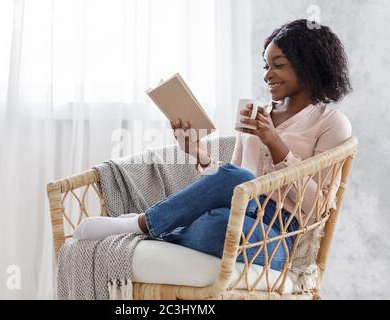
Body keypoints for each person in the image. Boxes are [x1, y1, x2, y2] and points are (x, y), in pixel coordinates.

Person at [73, 19, 353, 271]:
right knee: (235, 189)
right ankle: (151, 224)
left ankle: (144, 225)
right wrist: (197, 151)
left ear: (308, 65)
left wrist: (275, 142)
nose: (268, 75)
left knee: (223, 224)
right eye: (266, 66)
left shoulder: (331, 123)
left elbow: (318, 206)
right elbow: (230, 177)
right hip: (238, 210)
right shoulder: (257, 113)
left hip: (279, 233)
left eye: (278, 65)